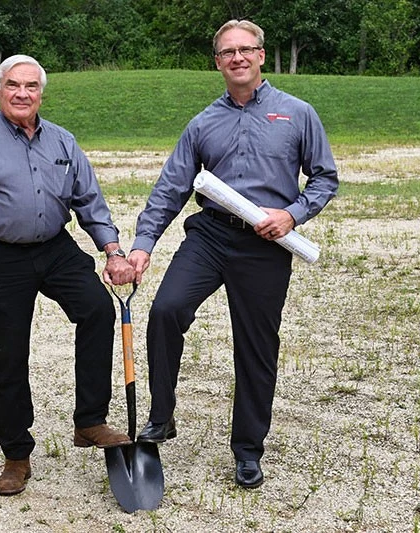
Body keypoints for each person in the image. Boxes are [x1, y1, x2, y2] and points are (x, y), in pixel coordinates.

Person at [127, 20, 339, 489]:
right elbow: (171, 187)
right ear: (218, 62)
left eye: (246, 49)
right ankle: (162, 415)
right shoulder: (203, 123)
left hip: (266, 244)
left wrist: (292, 215)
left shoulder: (297, 114)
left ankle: (247, 450)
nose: (237, 58)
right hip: (210, 236)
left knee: (256, 346)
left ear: (261, 55)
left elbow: (325, 178)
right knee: (165, 310)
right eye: (228, 52)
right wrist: (143, 244)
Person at [0, 54, 136, 497]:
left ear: (41, 93)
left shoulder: (62, 140)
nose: (22, 94)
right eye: (13, 85)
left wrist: (113, 252)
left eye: (31, 86)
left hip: (55, 248)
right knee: (8, 353)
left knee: (97, 309)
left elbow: (89, 202)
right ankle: (16, 455)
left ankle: (90, 420)